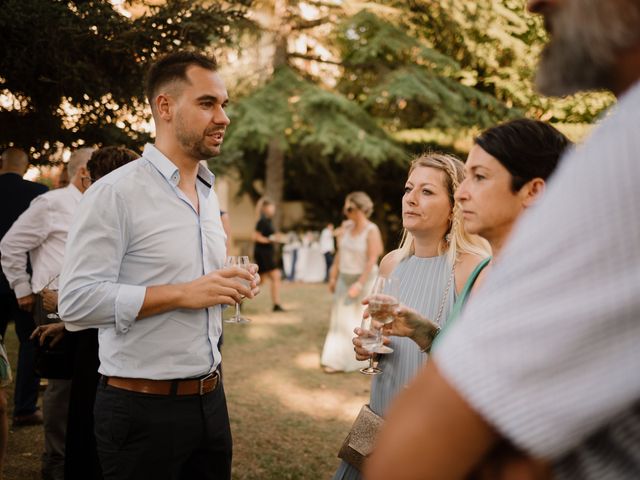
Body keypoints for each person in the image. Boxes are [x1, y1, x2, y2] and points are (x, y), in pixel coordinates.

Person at [365, 1, 640, 479]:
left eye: (478, 177)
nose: (534, 4)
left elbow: (422, 444)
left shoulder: (623, 153)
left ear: (533, 190)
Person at [58, 51, 259, 480]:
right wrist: (184, 294)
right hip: (140, 412)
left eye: (225, 104)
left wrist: (228, 284)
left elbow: (197, 280)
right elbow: (75, 303)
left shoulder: (207, 193)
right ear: (164, 107)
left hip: (211, 401)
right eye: (208, 103)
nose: (223, 117)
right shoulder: (115, 193)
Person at [333, 154, 489, 479]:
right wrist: (368, 346)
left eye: (428, 192)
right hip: (379, 425)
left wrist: (423, 333)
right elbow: (381, 336)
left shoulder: (472, 269)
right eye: (408, 189)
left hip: (434, 436)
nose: (412, 199)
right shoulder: (391, 264)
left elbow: (481, 368)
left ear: (454, 205)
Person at [385, 119, 570, 351]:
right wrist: (423, 333)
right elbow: (468, 359)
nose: (461, 194)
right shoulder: (485, 272)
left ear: (532, 191)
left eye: (479, 177)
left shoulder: (554, 284)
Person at [32, 146, 139, 480]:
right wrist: (69, 325)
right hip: (91, 342)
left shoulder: (121, 216)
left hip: (116, 357)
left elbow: (120, 292)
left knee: (96, 443)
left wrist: (65, 306)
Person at [1, 147, 93, 480]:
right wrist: (22, 288)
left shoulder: (97, 206)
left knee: (85, 382)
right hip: (52, 304)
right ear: (83, 172)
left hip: (88, 304)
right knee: (61, 385)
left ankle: (79, 458)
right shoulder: (51, 204)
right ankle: (55, 462)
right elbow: (11, 244)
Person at [0, 147, 48, 427]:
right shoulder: (39, 193)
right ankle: (25, 408)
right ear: (26, 165)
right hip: (25, 284)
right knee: (31, 344)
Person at [320, 192, 384, 373]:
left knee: (360, 319)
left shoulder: (371, 230)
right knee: (339, 318)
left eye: (349, 208)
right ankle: (336, 360)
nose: (346, 212)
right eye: (345, 208)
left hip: (364, 278)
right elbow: (340, 253)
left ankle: (362, 358)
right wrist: (333, 276)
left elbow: (372, 258)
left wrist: (359, 283)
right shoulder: (346, 227)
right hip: (344, 277)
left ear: (359, 209)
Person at [253, 197, 284, 311]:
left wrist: (275, 237)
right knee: (275, 276)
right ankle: (276, 304)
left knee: (261, 280)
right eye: (272, 207)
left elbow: (268, 235)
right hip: (263, 253)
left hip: (267, 253)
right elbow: (255, 237)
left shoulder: (268, 220)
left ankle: (241, 297)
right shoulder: (262, 221)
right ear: (266, 208)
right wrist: (271, 240)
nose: (274, 209)